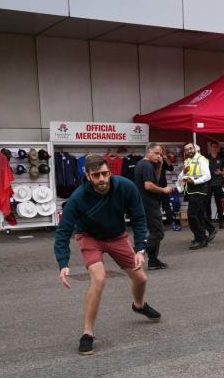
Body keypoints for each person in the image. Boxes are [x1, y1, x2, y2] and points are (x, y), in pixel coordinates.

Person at [54, 154, 162, 356]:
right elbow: (62, 231)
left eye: (105, 173)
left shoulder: (126, 187)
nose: (102, 179)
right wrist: (63, 263)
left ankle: (139, 305)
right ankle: (87, 333)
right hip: (89, 237)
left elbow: (139, 217)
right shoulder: (78, 198)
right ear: (87, 175)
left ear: (110, 172)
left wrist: (140, 249)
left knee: (141, 278)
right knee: (99, 279)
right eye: (96, 175)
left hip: (117, 236)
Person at [132, 142, 172, 270]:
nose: (158, 156)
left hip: (146, 202)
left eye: (160, 154)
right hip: (148, 203)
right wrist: (163, 190)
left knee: (155, 231)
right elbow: (148, 185)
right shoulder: (146, 165)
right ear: (148, 152)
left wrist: (160, 166)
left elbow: (155, 180)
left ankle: (153, 261)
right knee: (158, 232)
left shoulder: (145, 165)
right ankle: (138, 251)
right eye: (156, 153)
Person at [181, 143, 215, 250]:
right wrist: (183, 175)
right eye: (187, 150)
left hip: (199, 191)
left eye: (191, 148)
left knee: (192, 215)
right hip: (190, 191)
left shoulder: (201, 159)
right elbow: (183, 175)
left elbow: (207, 176)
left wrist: (194, 181)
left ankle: (200, 239)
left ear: (195, 149)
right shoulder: (187, 161)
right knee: (198, 214)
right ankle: (202, 236)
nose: (189, 151)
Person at [206, 141, 224, 228]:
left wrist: (220, 172)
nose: (215, 148)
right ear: (210, 147)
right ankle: (208, 222)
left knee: (219, 203)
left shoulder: (221, 159)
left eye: (216, 147)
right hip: (207, 184)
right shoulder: (205, 158)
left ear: (218, 148)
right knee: (207, 204)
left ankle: (221, 222)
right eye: (213, 146)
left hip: (218, 184)